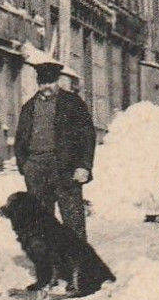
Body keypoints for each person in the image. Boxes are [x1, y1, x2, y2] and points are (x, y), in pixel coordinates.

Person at [13, 60, 97, 242]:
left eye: (50, 83)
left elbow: (87, 136)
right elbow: (20, 139)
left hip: (65, 169)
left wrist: (83, 166)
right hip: (36, 170)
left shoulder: (72, 103)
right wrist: (25, 166)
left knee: (73, 220)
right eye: (42, 83)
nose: (46, 87)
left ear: (57, 81)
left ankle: (77, 265)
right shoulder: (29, 107)